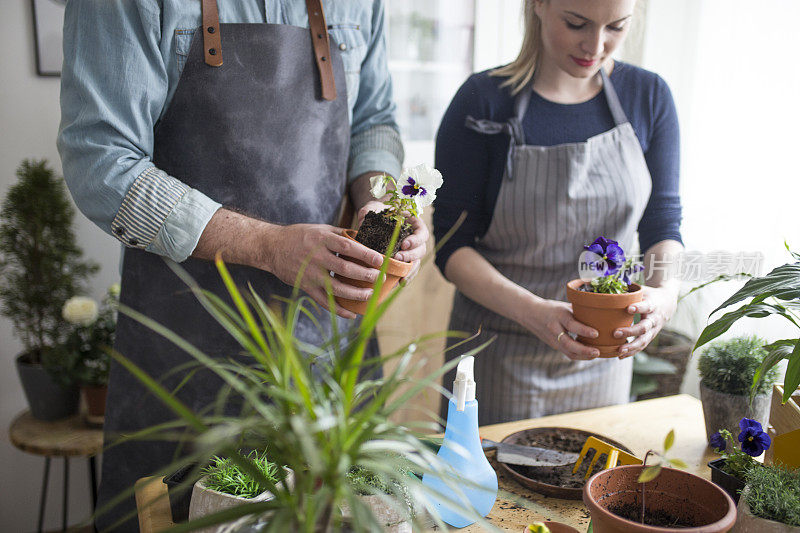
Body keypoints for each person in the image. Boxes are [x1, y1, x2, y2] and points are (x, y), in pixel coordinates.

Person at [58, 1, 428, 530]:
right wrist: (269, 245)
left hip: (325, 350)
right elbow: (101, 161)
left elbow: (374, 119)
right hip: (186, 352)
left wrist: (379, 206)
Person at [433, 0, 684, 425]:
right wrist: (534, 312)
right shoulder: (483, 102)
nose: (596, 45)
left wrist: (665, 295)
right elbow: (451, 246)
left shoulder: (648, 96)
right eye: (577, 24)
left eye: (616, 28)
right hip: (496, 358)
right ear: (539, 5)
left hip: (603, 360)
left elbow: (663, 221)